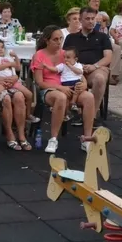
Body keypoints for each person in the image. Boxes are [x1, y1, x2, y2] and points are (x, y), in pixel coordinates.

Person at [33, 26, 96, 154]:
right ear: (47, 40)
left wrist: (83, 84)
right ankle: (53, 138)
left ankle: (87, 139)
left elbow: (79, 72)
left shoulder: (66, 54)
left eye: (61, 38)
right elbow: (39, 83)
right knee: (60, 97)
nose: (59, 42)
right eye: (55, 39)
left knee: (89, 97)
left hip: (71, 87)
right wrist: (60, 88)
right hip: (50, 89)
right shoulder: (39, 56)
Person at [63, 7, 113, 110]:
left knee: (99, 78)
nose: (91, 21)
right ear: (81, 20)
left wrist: (94, 66)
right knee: (70, 79)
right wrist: (77, 66)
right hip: (75, 70)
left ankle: (91, 116)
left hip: (96, 69)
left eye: (93, 18)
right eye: (87, 19)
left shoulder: (103, 37)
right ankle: (73, 110)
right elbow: (64, 57)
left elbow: (108, 57)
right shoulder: (71, 38)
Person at [0, 38, 34, 126]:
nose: (1, 49)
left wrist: (16, 57)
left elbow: (18, 68)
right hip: (0, 81)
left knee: (29, 94)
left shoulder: (8, 58)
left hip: (12, 81)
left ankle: (28, 114)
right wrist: (10, 64)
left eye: (2, 47)